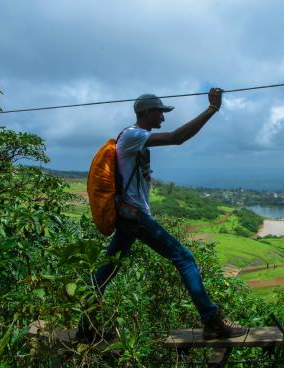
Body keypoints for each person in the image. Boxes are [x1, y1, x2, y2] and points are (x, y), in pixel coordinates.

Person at [77, 88, 247, 342]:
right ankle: (212, 322)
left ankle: (85, 329)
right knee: (184, 258)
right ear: (146, 112)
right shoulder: (134, 135)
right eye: (160, 112)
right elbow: (178, 138)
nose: (163, 118)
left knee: (107, 270)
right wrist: (212, 109)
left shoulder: (136, 139)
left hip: (129, 216)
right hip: (133, 216)